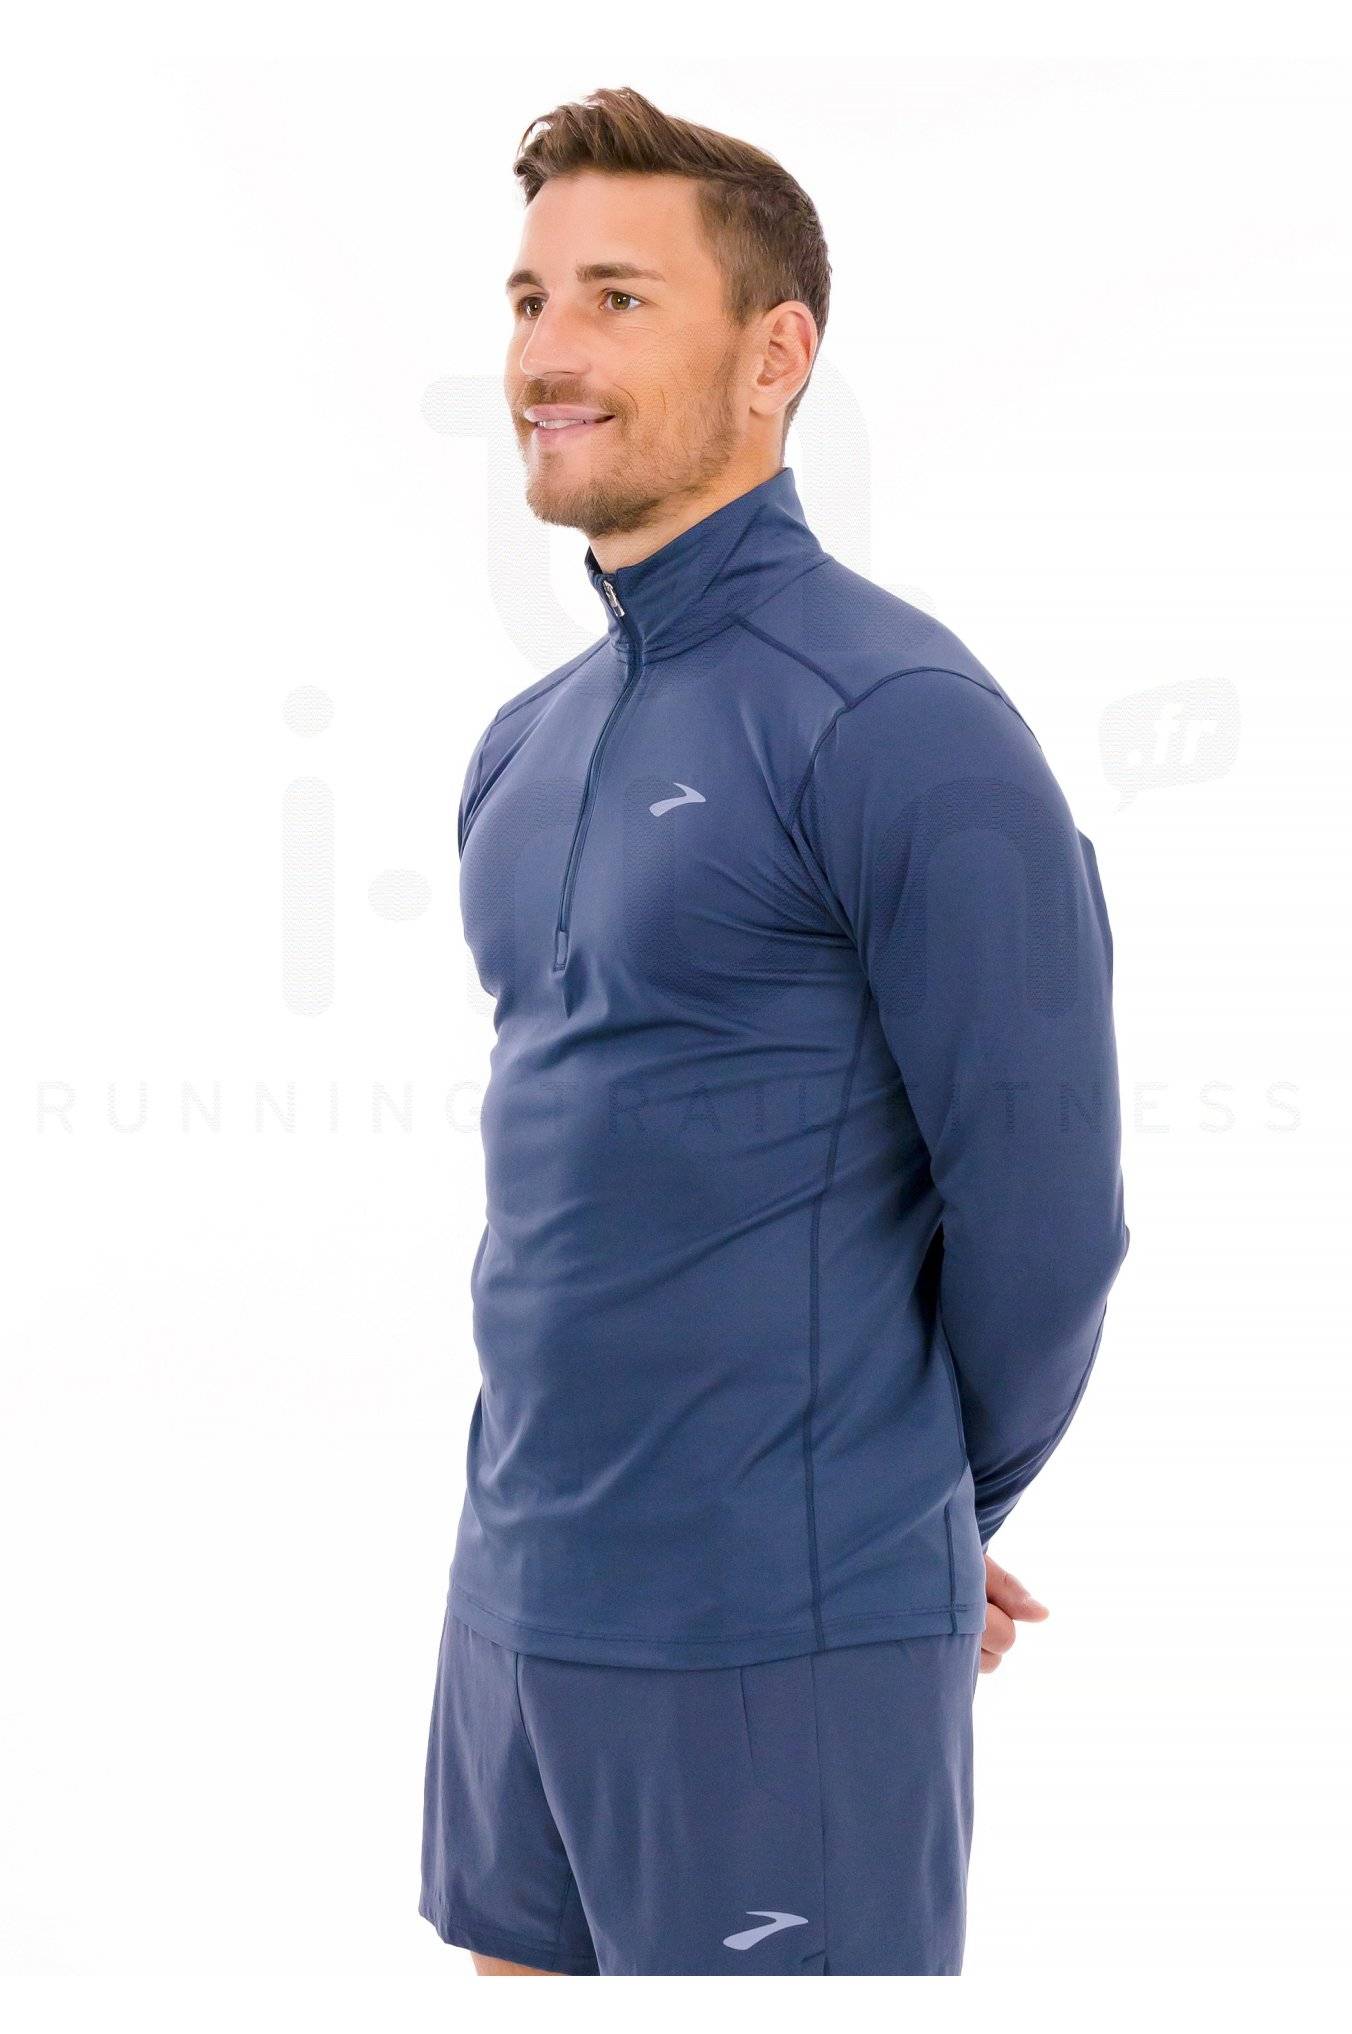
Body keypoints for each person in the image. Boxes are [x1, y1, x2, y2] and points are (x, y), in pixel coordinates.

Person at [420, 85, 1130, 1978]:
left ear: (774, 354)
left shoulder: (899, 721)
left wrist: (902, 1521)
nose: (548, 352)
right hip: (515, 1603)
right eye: (529, 299)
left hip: (775, 1640)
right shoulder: (526, 744)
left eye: (619, 298)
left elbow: (1050, 1218)